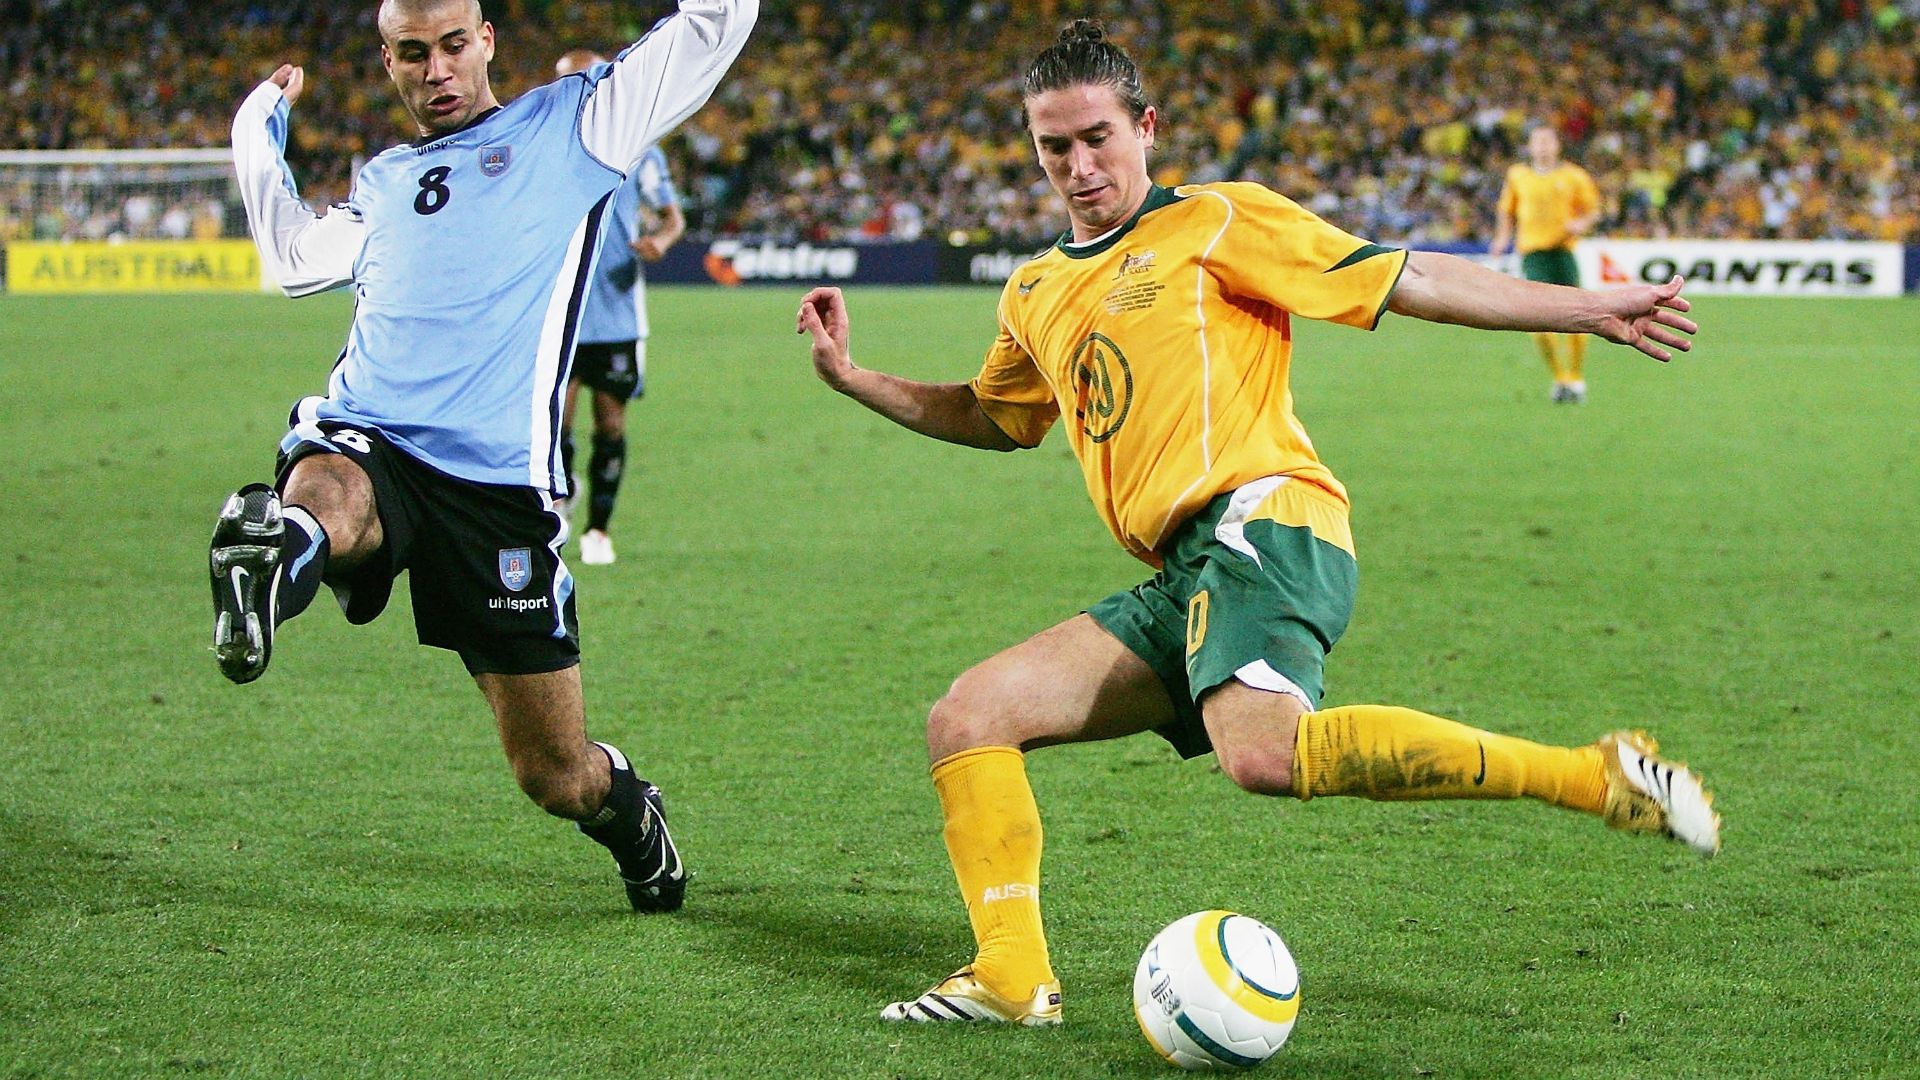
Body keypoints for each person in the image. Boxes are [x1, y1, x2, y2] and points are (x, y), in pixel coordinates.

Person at [794, 20, 1716, 1027]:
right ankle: (1013, 976)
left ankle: (1595, 775)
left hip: (1263, 517)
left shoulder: (1221, 220)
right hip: (1186, 569)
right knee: (969, 718)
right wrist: (855, 380)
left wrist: (1584, 308)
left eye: (1097, 136)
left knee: (1263, 755)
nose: (1078, 164)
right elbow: (995, 416)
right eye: (1054, 146)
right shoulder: (1037, 289)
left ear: (1145, 126)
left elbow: (1412, 277)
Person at [212, 0, 755, 912]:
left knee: (554, 775)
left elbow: (712, 26)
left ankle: (629, 814)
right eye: (413, 54)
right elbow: (295, 256)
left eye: (453, 47)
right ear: (387, 62)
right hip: (375, 432)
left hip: (497, 487)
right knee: (327, 478)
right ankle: (278, 549)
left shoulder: (574, 125)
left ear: (487, 43)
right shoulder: (385, 182)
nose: (437, 72)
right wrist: (253, 129)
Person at [551, 48, 686, 567]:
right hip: (560, 312)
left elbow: (673, 218)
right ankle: (559, 504)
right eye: (569, 81)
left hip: (615, 311)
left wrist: (661, 242)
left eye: (587, 79)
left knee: (610, 425)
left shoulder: (640, 149)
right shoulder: (547, 146)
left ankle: (599, 530)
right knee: (554, 424)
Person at [1489, 125, 1604, 403]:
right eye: (1537, 142)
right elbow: (1507, 210)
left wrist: (1580, 223)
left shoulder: (1574, 176)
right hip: (1534, 253)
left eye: (1547, 141)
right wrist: (1502, 238)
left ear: (1557, 146)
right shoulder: (1518, 175)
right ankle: (1560, 377)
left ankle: (1576, 377)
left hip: (1563, 251)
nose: (1542, 147)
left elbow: (1593, 210)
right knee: (1537, 318)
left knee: (1579, 314)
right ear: (1529, 147)